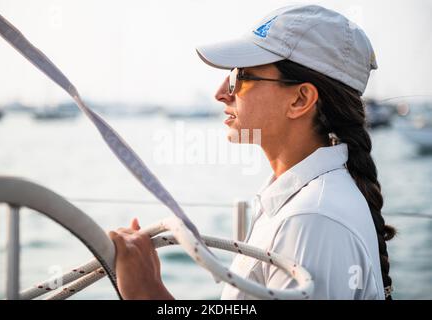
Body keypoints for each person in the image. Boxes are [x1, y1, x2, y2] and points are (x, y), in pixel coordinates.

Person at [108, 4, 396, 300]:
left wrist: (147, 293)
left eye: (240, 76)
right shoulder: (300, 201)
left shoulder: (312, 220)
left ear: (300, 99)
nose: (221, 92)